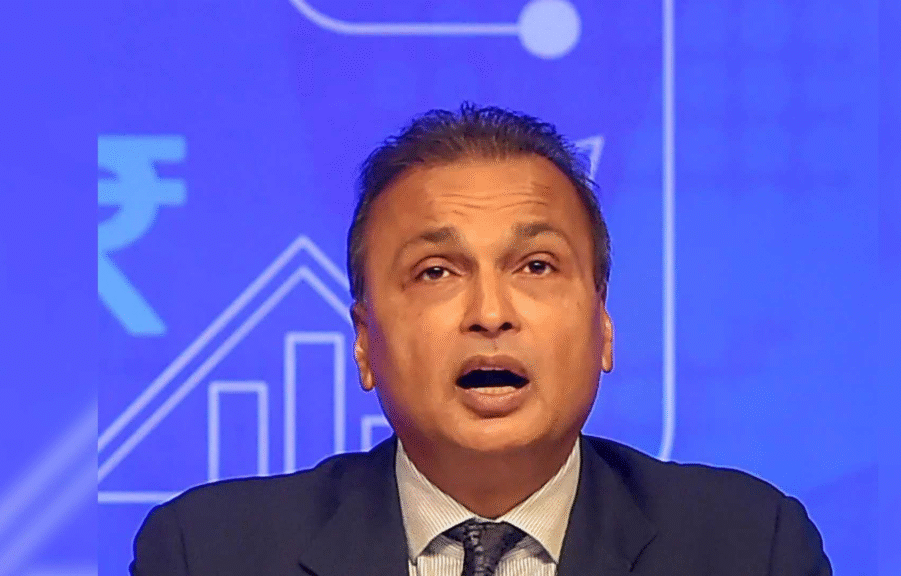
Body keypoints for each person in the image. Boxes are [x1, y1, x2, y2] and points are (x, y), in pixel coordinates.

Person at [130, 104, 832, 576]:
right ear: (365, 341)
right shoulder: (210, 552)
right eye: (436, 271)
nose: (490, 313)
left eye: (536, 266)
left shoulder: (747, 547)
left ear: (603, 326)